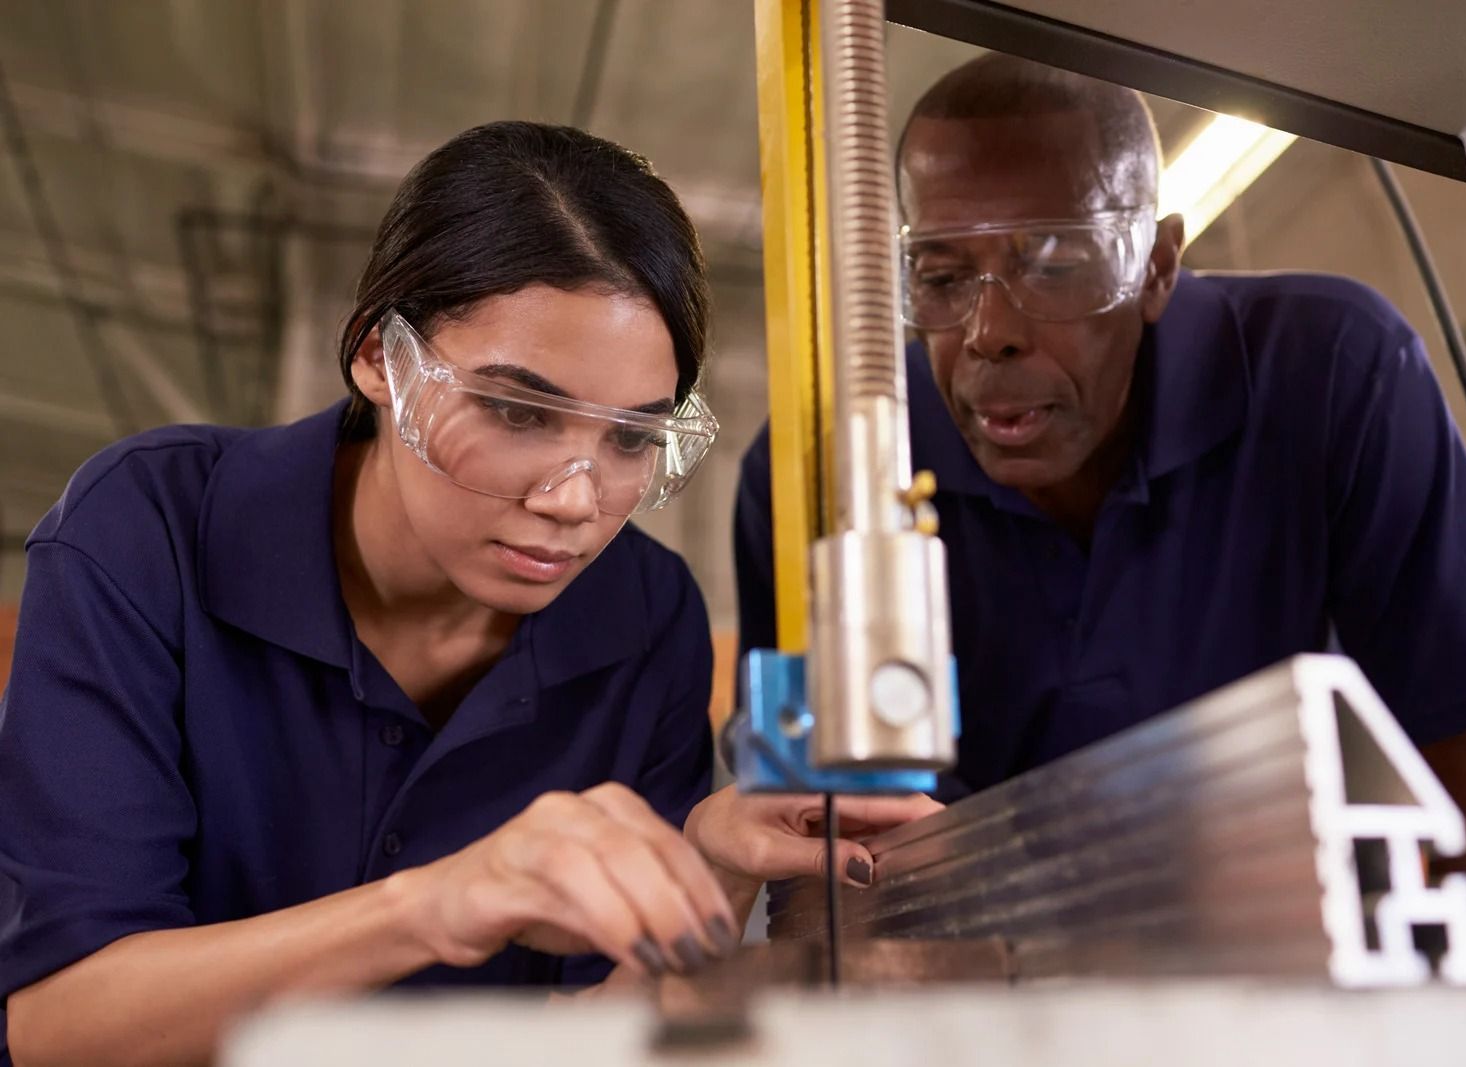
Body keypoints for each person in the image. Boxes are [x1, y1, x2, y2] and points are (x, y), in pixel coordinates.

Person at [0, 121, 938, 1067]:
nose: (575, 501)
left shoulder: (648, 618)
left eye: (629, 438)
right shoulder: (150, 531)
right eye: (518, 410)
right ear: (378, 356)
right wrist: (440, 902)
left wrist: (713, 866)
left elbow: (596, 1033)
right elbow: (60, 1025)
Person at [735, 55, 1466, 967]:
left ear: (1158, 264)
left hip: (1287, 959)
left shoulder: (1331, 376)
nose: (988, 331)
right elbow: (809, 853)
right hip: (983, 990)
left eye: (1055, 264)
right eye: (943, 274)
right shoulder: (824, 470)